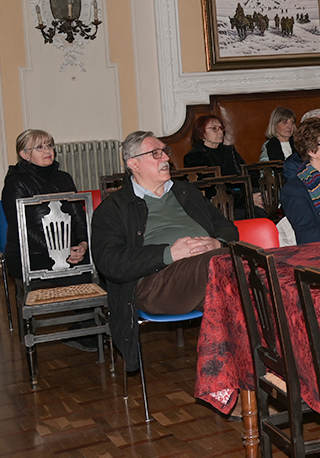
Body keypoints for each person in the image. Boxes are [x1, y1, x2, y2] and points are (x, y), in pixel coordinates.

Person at [92, 131, 239, 373]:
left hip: (208, 273)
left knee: (230, 298)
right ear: (133, 164)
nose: (165, 159)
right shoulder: (113, 209)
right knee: (226, 267)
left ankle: (231, 381)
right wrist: (169, 253)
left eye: (165, 152)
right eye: (155, 154)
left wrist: (218, 242)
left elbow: (226, 226)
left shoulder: (186, 192)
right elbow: (111, 263)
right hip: (153, 284)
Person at [1, 129, 88, 283]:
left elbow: (78, 216)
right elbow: (24, 229)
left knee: (104, 265)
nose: (47, 150)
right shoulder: (15, 183)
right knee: (73, 276)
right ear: (24, 154)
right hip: (31, 253)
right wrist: (62, 251)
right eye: (40, 147)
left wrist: (82, 243)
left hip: (69, 249)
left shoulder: (64, 178)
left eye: (49, 146)